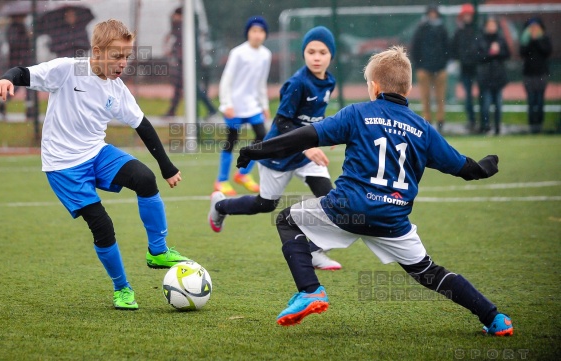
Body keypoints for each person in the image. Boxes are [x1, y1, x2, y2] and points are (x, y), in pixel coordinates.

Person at [234, 46, 513, 336]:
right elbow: (462, 168)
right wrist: (484, 167)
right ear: (409, 88)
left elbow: (305, 136)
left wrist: (258, 150)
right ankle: (495, 317)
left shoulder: (357, 114)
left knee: (287, 220)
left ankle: (311, 291)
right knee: (430, 273)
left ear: (374, 86)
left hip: (347, 209)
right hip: (392, 220)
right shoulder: (423, 129)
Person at [0, 19, 190, 310]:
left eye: (127, 56)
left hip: (96, 153)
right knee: (102, 225)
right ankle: (122, 288)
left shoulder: (116, 89)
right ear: (97, 52)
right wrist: (7, 79)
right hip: (63, 165)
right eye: (117, 56)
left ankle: (157, 251)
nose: (123, 63)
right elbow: (23, 72)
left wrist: (166, 166)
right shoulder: (68, 70)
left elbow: (142, 124)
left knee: (145, 178)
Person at [209, 26, 342, 271]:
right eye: (311, 51)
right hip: (280, 154)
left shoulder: (329, 81)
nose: (316, 57)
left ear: (330, 55)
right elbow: (282, 123)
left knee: (330, 201)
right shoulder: (297, 83)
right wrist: (306, 147)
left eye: (322, 52)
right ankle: (221, 206)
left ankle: (314, 251)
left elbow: (313, 118)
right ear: (303, 54)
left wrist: (326, 132)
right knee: (265, 205)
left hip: (305, 154)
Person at [213, 16, 271, 196]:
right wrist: (227, 103)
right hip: (235, 106)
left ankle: (243, 173)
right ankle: (221, 180)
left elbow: (261, 82)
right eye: (254, 31)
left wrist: (264, 104)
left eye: (261, 31)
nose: (257, 35)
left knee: (263, 136)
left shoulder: (266, 54)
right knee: (232, 141)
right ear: (248, 33)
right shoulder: (238, 53)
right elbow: (226, 80)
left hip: (253, 105)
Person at [163, 7, 217, 118]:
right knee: (182, 88)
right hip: (184, 62)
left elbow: (181, 46)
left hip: (186, 63)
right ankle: (172, 111)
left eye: (176, 16)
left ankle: (212, 110)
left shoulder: (184, 28)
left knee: (192, 88)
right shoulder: (184, 28)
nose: (174, 18)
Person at [410, 4, 450, 133]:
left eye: (435, 13)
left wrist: (444, 64)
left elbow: (447, 48)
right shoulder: (421, 29)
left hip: (440, 68)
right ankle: (427, 121)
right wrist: (419, 66)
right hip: (424, 69)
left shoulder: (442, 29)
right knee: (425, 97)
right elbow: (414, 48)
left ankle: (440, 121)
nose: (433, 16)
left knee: (440, 98)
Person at [476, 16, 510, 135]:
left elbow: (507, 54)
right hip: (485, 78)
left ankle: (497, 128)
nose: (491, 27)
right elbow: (478, 56)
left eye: (493, 25)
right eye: (489, 25)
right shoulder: (480, 39)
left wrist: (498, 51)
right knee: (485, 105)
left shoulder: (500, 39)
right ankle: (485, 127)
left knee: (498, 105)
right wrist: (490, 53)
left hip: (498, 77)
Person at [520, 17, 552, 134]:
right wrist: (531, 40)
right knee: (531, 101)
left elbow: (547, 51)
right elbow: (522, 52)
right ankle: (532, 126)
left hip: (541, 74)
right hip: (529, 74)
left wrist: (537, 41)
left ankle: (539, 125)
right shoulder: (525, 40)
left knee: (539, 101)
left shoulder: (544, 39)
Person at [0, 14, 32, 120]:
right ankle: (1, 104)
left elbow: (26, 45)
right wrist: (26, 36)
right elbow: (15, 43)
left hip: (25, 61)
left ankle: (29, 109)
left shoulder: (23, 27)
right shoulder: (13, 29)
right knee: (15, 86)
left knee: (30, 86)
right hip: (16, 62)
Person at [451, 3, 478, 133]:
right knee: (468, 97)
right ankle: (472, 121)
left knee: (482, 96)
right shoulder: (459, 32)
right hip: (466, 69)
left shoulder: (476, 30)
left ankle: (482, 122)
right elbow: (454, 49)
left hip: (478, 68)